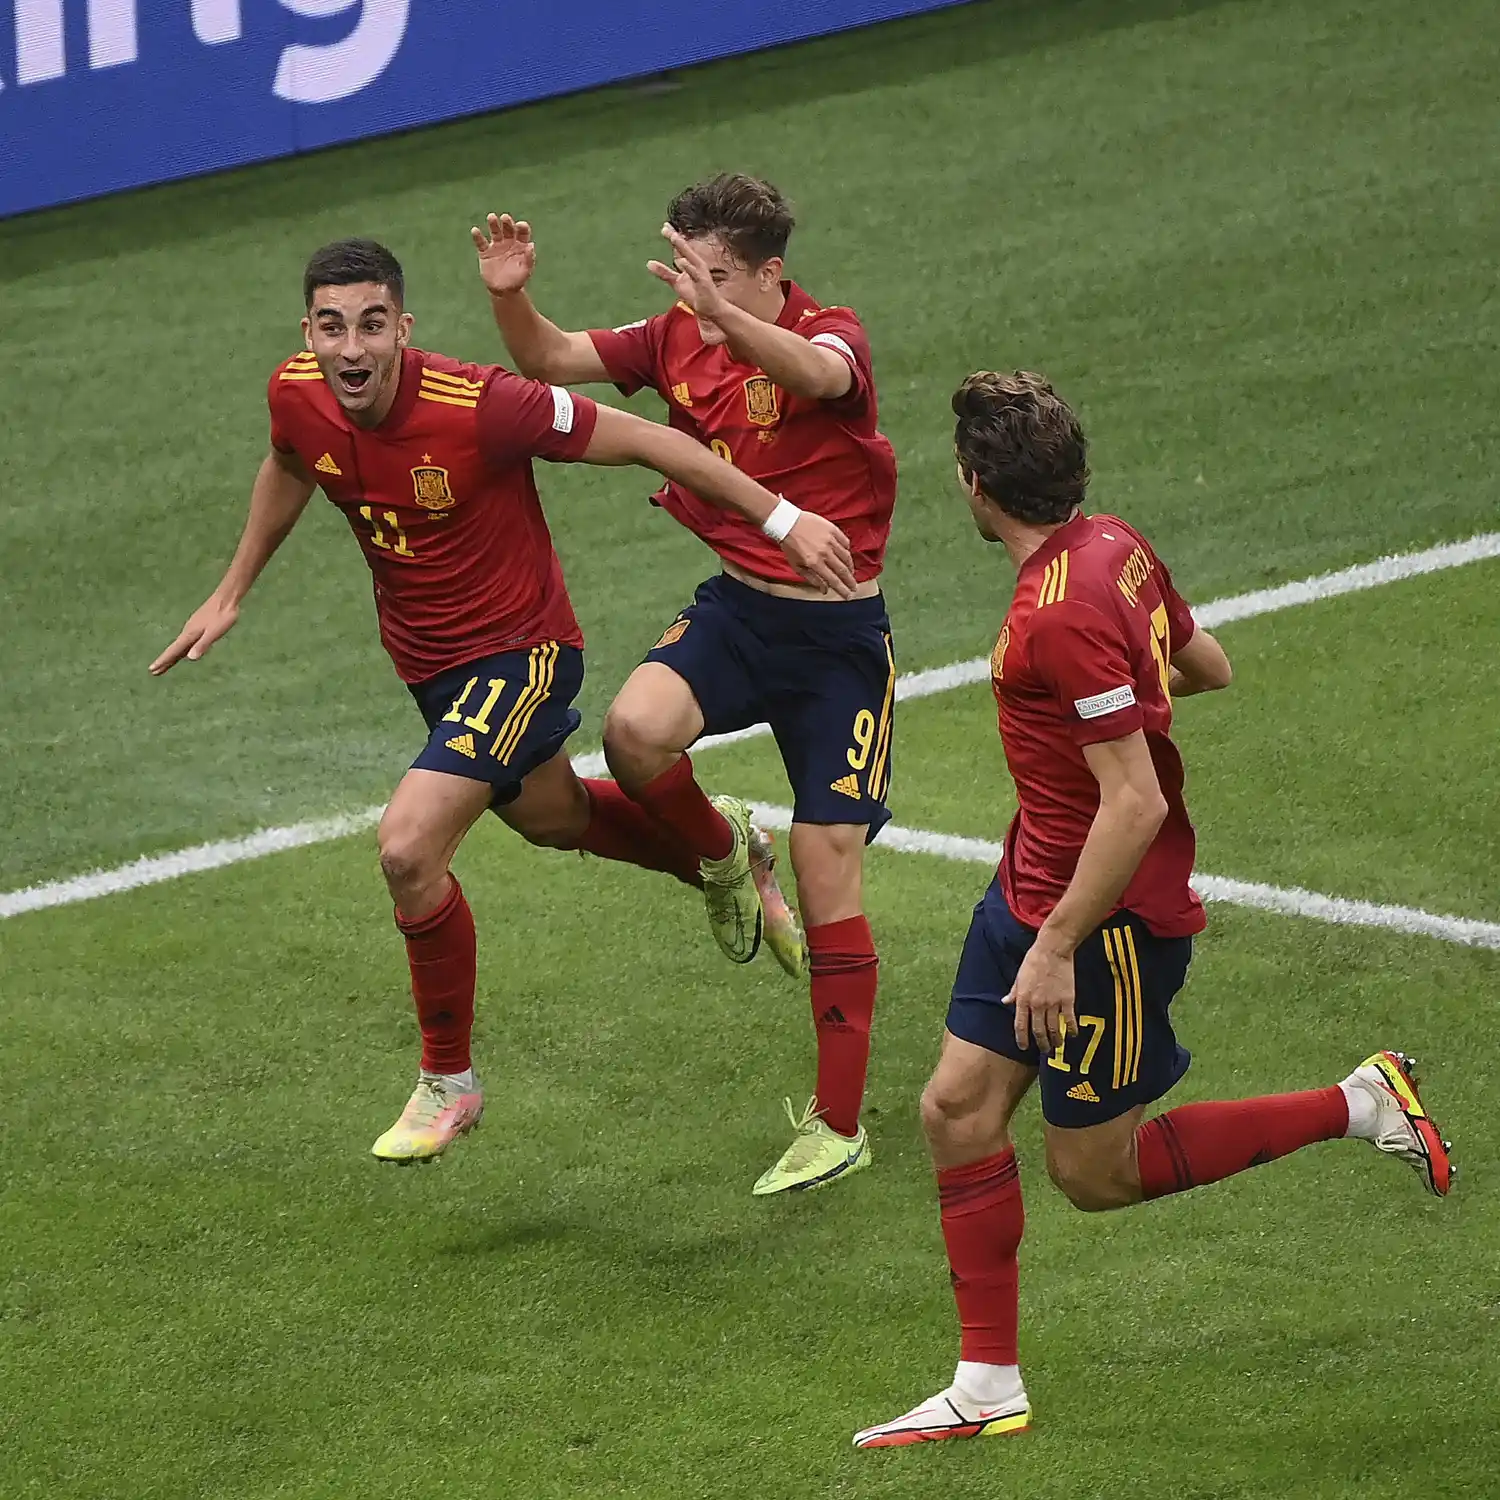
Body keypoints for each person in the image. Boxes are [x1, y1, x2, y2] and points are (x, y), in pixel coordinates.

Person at [150, 236, 855, 1166]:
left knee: (408, 848)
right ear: (308, 333)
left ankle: (449, 1080)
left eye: (371, 326)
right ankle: (722, 848)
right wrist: (233, 587)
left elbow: (650, 438)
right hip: (430, 668)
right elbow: (290, 458)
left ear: (404, 328)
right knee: (554, 818)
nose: (351, 349)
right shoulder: (298, 390)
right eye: (331, 328)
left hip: (522, 657)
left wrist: (781, 517)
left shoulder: (480, 404)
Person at [853, 370, 1453, 1448]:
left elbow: (1133, 800)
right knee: (954, 1112)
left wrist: (1059, 947)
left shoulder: (1057, 614)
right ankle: (986, 1384)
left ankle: (1363, 1102)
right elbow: (1206, 662)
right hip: (1032, 885)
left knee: (1096, 1174)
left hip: (1103, 925)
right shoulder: (1111, 545)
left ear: (976, 486)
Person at [477, 175, 898, 1195]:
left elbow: (822, 376)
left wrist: (725, 320)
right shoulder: (672, 333)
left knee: (826, 863)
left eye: (720, 277)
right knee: (632, 732)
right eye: (690, 271)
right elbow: (549, 360)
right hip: (740, 615)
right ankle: (721, 856)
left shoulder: (828, 334)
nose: (697, 293)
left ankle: (840, 1124)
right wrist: (508, 295)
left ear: (770, 274)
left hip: (839, 648)